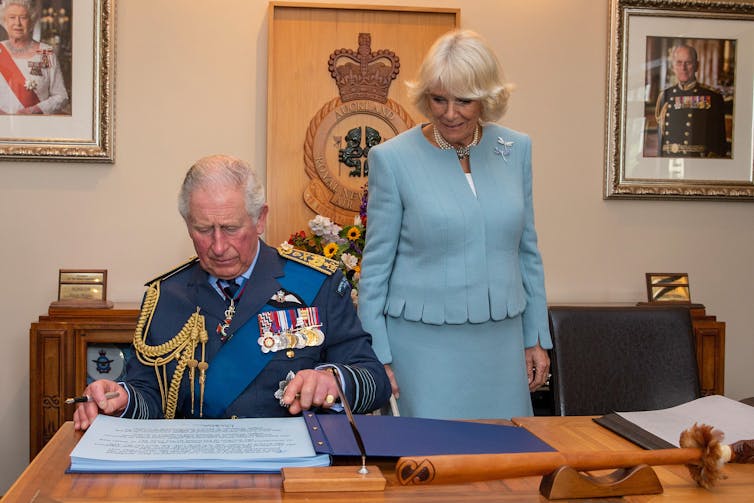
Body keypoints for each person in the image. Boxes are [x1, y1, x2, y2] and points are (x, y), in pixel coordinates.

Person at [74, 154, 391, 430]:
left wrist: (332, 379)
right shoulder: (166, 295)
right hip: (195, 473)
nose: (218, 246)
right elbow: (149, 396)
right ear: (187, 224)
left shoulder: (316, 283)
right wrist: (121, 398)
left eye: (230, 228)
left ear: (260, 219)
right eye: (203, 230)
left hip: (290, 473)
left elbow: (374, 380)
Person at [357, 30, 552, 420]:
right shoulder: (392, 159)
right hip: (421, 349)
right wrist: (377, 355)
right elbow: (375, 268)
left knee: (508, 461)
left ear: (488, 97)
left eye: (464, 100)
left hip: (501, 344)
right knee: (431, 460)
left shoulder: (515, 150)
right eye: (438, 99)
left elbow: (526, 251)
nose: (449, 113)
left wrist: (535, 338)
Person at [654, 44, 727, 157]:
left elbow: (719, 145)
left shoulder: (713, 97)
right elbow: (661, 141)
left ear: (696, 66)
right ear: (673, 66)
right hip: (670, 163)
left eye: (688, 63)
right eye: (679, 63)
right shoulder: (665, 96)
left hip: (700, 165)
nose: (683, 68)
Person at [0, 0, 68, 115]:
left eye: (23, 17)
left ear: (31, 22)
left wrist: (34, 110)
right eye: (12, 17)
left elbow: (61, 96)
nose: (18, 23)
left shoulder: (45, 53)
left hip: (36, 127)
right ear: (5, 21)